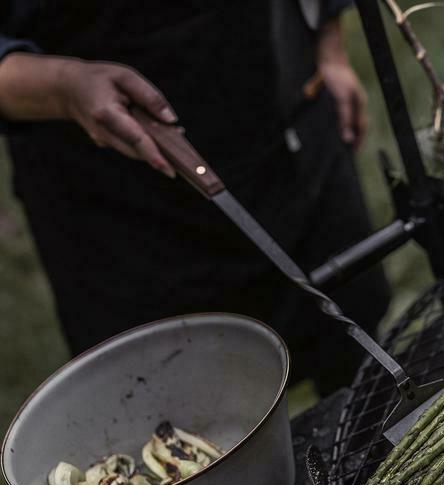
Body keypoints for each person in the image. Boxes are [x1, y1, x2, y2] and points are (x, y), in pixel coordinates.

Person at [0, 1, 391, 395]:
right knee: (172, 411)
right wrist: (62, 87)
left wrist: (329, 46)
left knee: (359, 358)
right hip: (117, 204)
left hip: (287, 125)